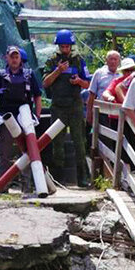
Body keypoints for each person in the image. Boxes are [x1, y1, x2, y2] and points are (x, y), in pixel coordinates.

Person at [0, 46, 42, 194]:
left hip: (25, 117)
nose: (14, 59)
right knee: (5, 152)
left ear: (20, 58)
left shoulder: (29, 74)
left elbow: (37, 96)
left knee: (26, 152)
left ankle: (26, 187)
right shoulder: (1, 75)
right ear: (6, 58)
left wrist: (38, 116)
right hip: (6, 118)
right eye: (11, 57)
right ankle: (3, 186)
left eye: (16, 57)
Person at [41, 30, 91, 187]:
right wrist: (58, 71)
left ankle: (82, 178)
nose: (65, 49)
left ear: (71, 46)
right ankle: (58, 178)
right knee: (57, 143)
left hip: (75, 106)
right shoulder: (51, 61)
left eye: (67, 46)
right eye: (62, 46)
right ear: (58, 46)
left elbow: (89, 84)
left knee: (80, 143)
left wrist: (79, 82)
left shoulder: (79, 60)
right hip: (58, 107)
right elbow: (45, 83)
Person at [86, 50, 122, 125]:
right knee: (101, 134)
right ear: (106, 61)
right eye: (111, 59)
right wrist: (89, 113)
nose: (113, 61)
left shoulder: (121, 75)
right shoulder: (99, 73)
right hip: (101, 110)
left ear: (119, 62)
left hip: (117, 112)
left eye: (115, 59)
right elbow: (92, 94)